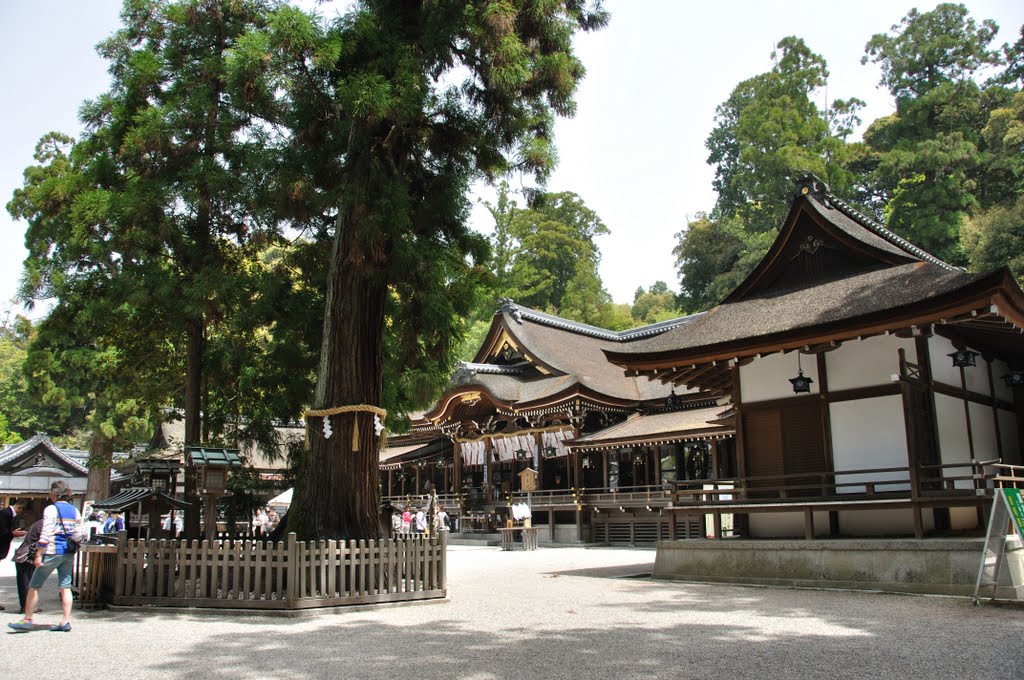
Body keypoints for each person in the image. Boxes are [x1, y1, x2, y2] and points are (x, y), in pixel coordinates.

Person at [9, 481, 86, 632]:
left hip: (52, 550)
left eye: (51, 492)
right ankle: (65, 621)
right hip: (68, 553)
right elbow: (78, 534)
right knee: (65, 586)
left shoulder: (51, 509)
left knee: (34, 585)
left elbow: (46, 532)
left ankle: (28, 619)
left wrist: (39, 553)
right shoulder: (74, 510)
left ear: (55, 494)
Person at [0, 499, 28, 611]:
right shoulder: (5, 514)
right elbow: (2, 533)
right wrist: (13, 534)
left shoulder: (6, 513)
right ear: (20, 508)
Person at [13, 518, 44, 614]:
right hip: (27, 555)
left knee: (24, 582)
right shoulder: (44, 524)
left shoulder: (39, 523)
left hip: (24, 554)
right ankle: (27, 607)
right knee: (26, 582)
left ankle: (26, 606)